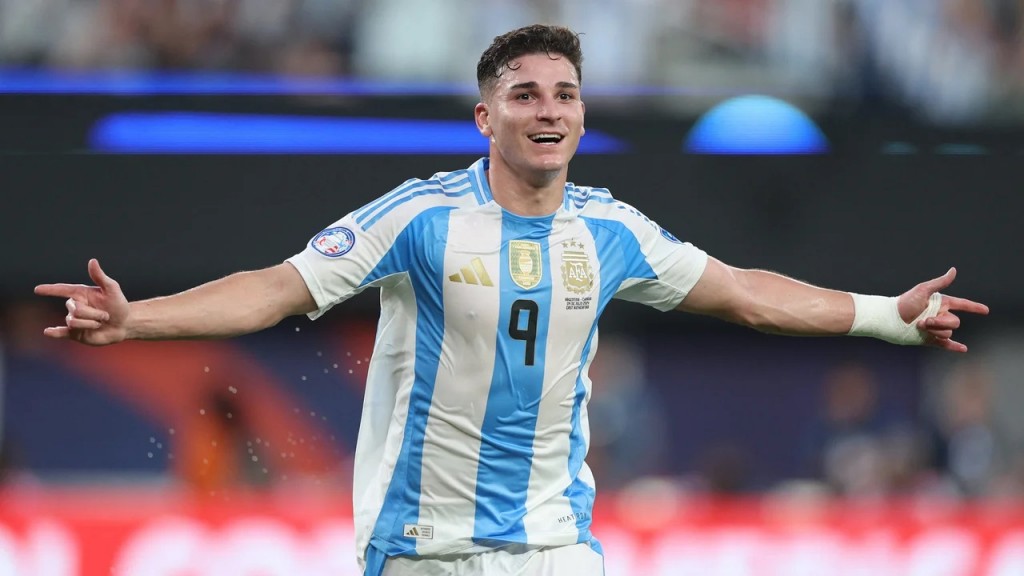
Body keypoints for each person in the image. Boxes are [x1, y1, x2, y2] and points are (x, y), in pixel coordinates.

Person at [34, 24, 989, 576]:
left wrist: (883, 314)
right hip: (424, 550)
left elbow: (744, 294)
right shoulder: (420, 216)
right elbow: (277, 289)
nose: (550, 110)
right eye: (526, 95)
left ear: (582, 114)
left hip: (554, 547)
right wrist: (138, 319)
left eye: (565, 94)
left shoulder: (611, 231)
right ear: (486, 118)